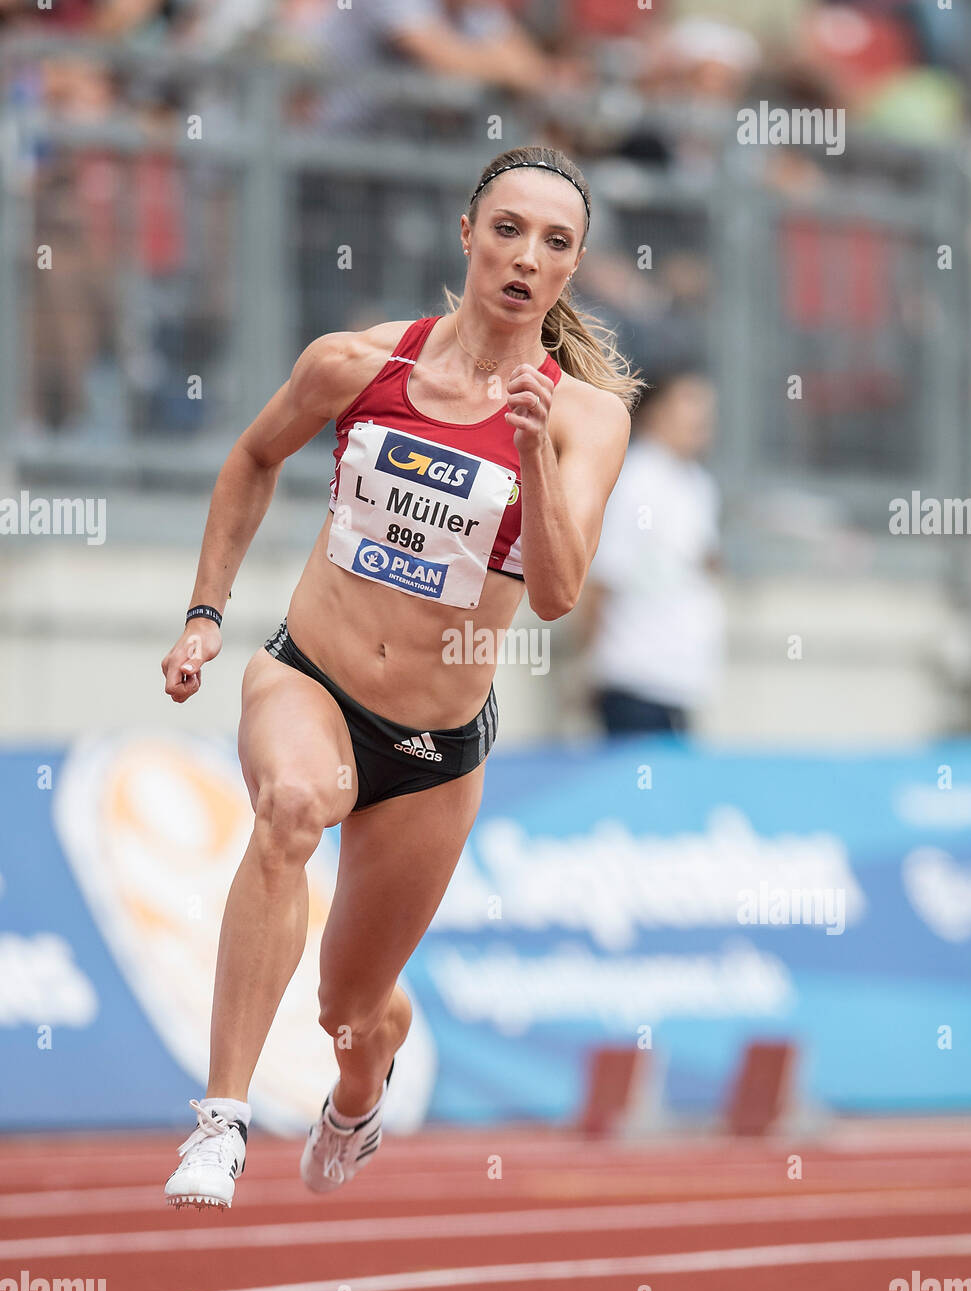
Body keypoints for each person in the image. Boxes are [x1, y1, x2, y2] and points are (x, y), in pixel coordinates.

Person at [159, 145, 642, 1208]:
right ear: (467, 235)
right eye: (507, 229)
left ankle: (355, 1093)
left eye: (554, 243)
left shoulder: (582, 419)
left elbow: (559, 595)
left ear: (572, 270)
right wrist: (205, 616)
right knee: (288, 810)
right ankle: (221, 1120)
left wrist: (531, 460)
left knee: (352, 1003)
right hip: (310, 679)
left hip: (432, 748)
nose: (525, 257)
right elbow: (250, 456)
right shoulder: (356, 364)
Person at [582, 369, 724, 737]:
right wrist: (589, 664)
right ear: (657, 410)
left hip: (681, 681)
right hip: (634, 679)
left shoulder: (696, 483)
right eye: (690, 403)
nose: (702, 418)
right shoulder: (635, 480)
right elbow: (602, 579)